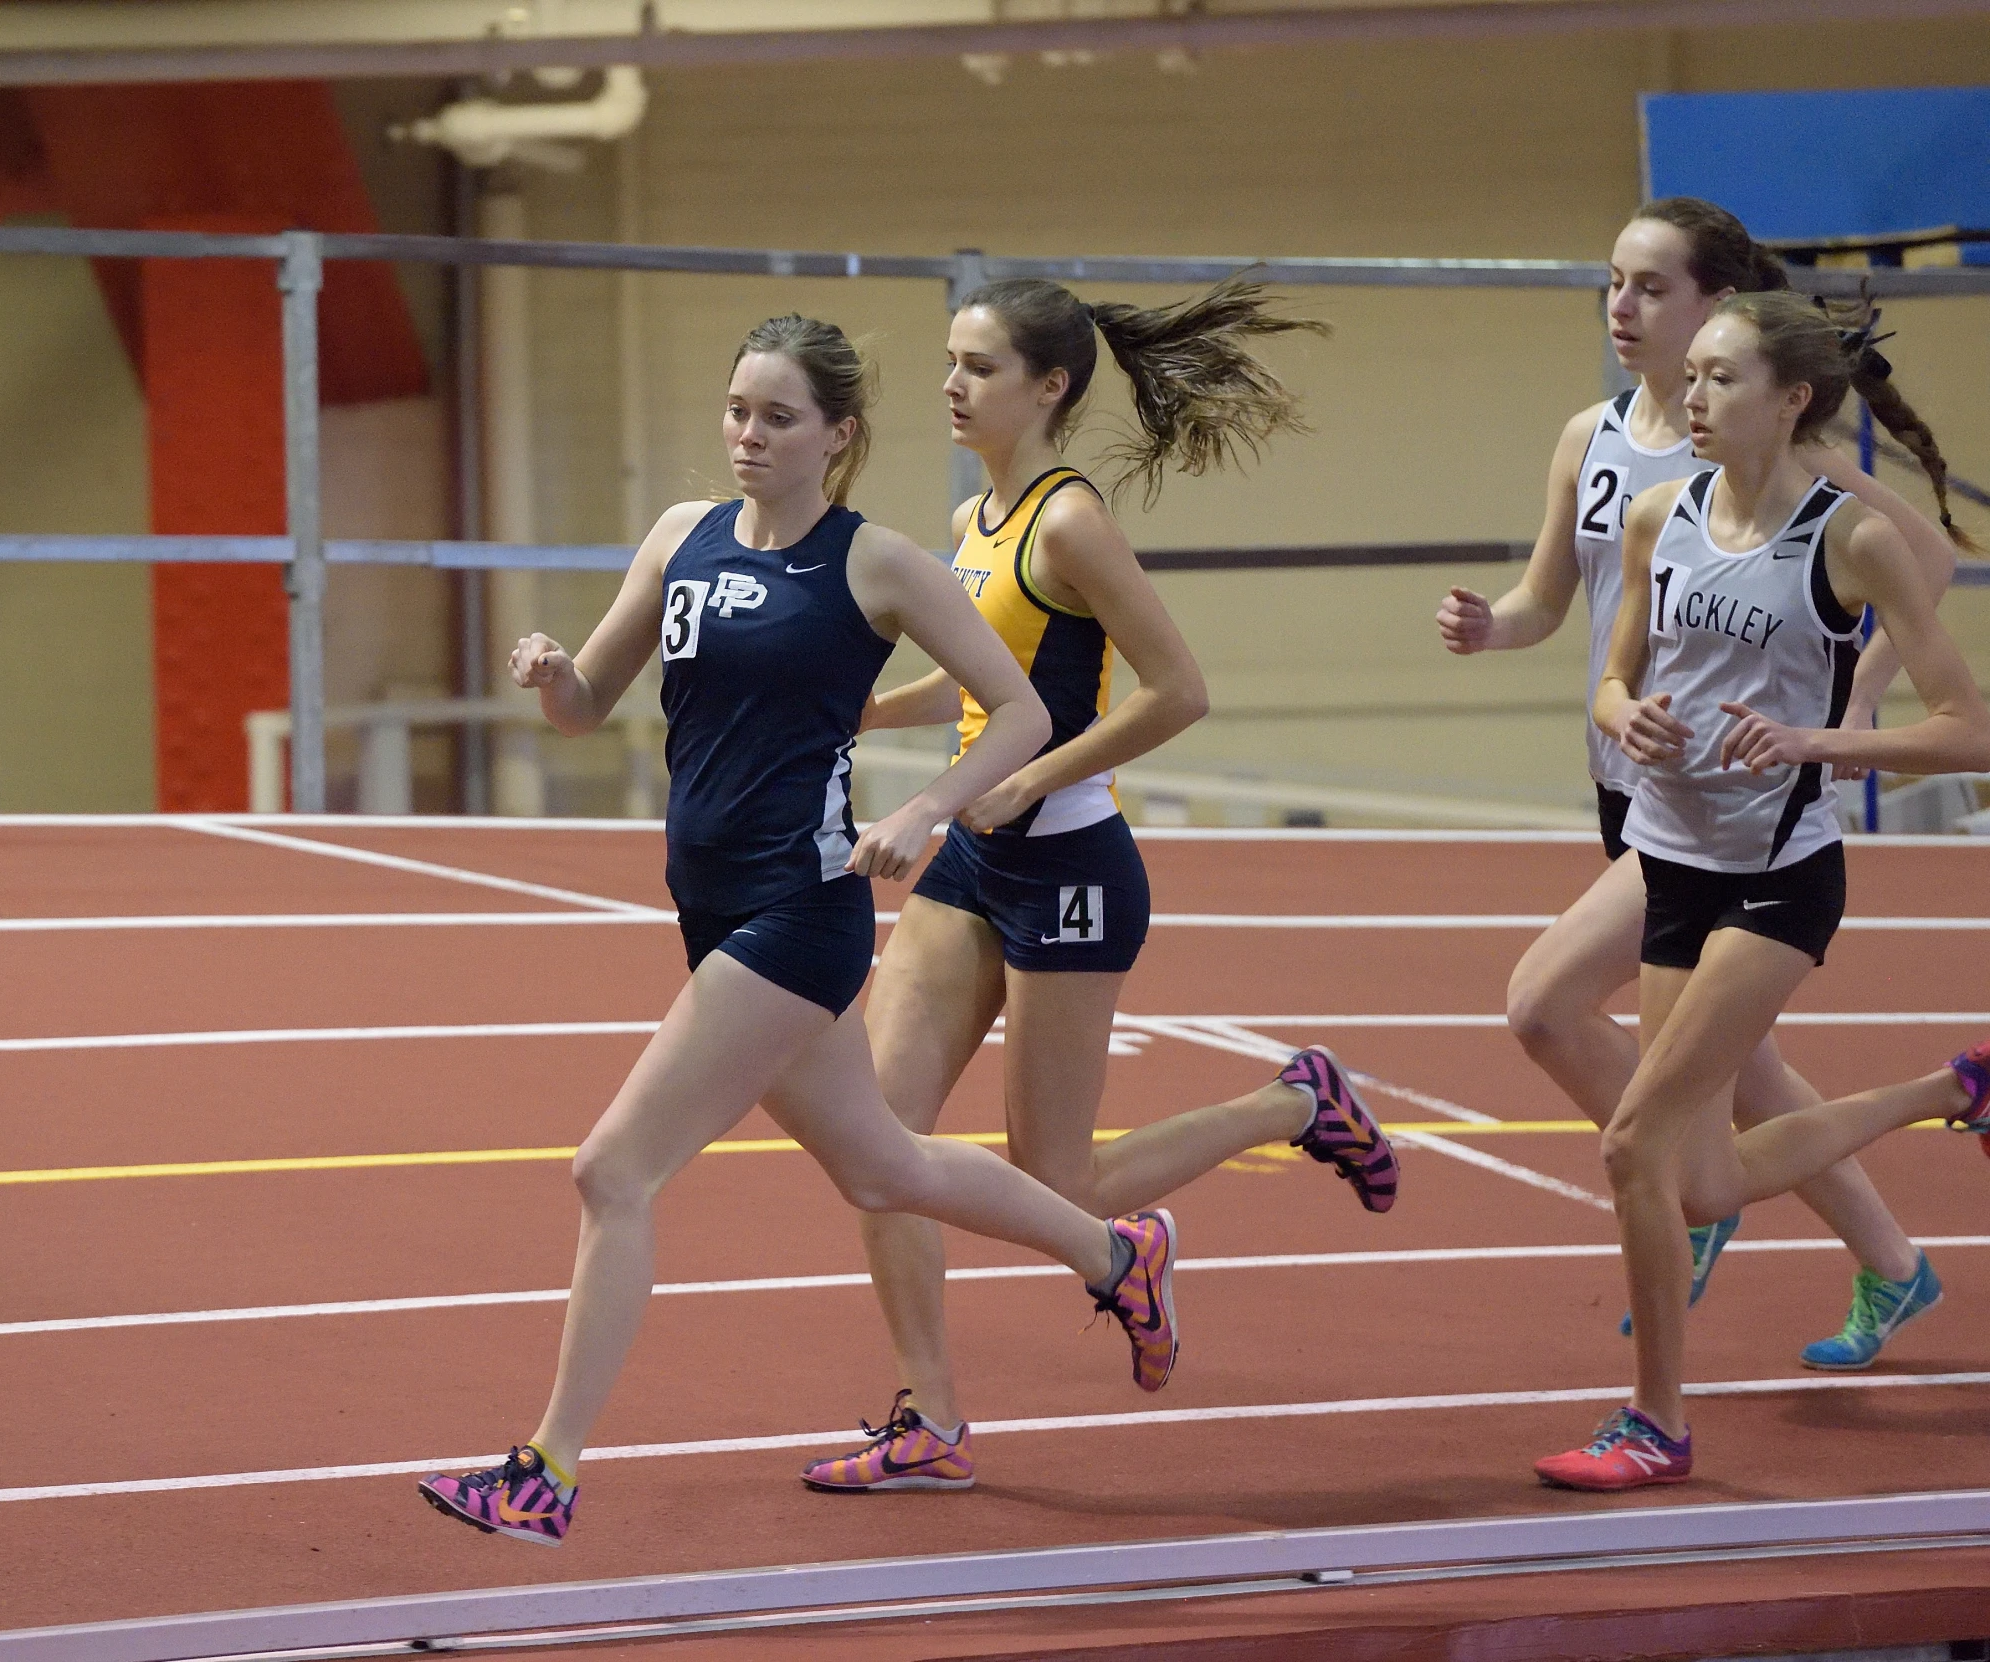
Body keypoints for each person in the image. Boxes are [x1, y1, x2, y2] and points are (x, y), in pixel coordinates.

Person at [417, 315, 1181, 1547]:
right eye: (735, 411)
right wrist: (551, 670)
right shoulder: (681, 536)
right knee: (885, 1166)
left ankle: (543, 1472)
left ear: (837, 434)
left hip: (797, 912)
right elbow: (587, 707)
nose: (748, 437)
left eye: (777, 417)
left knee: (613, 1168)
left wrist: (928, 810)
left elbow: (1023, 711)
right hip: (709, 903)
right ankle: (1113, 1254)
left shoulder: (874, 564)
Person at [801, 276, 1396, 1495]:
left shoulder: (1069, 523)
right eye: (949, 363)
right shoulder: (977, 520)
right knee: (879, 1142)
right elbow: (978, 679)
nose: (950, 386)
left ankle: (1296, 1104)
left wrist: (1034, 780)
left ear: (1049, 386)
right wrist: (866, 707)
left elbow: (1177, 689)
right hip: (971, 859)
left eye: (976, 366)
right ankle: (930, 1420)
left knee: (1052, 1183)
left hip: (1069, 866)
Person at [1437, 199, 1960, 1368]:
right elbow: (1546, 605)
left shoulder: (1772, 454)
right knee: (1741, 1068)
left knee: (1545, 1005)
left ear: (1714, 306)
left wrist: (1850, 706)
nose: (1620, 308)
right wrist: (1491, 629)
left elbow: (1925, 561)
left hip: (1742, 805)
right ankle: (1889, 1265)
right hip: (1633, 784)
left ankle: (1688, 1199)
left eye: (1648, 287)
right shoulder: (1594, 439)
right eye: (1610, 283)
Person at [1532, 289, 1990, 1491]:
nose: (1690, 396)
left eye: (1720, 378)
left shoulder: (1851, 539)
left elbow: (1967, 730)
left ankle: (1655, 1423)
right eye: (1689, 378)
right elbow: (1612, 674)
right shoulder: (1652, 516)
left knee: (1633, 1148)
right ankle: (1951, 1085)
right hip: (1669, 861)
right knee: (1699, 1180)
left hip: (1777, 882)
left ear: (1789, 401)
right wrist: (1617, 712)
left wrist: (1817, 744)